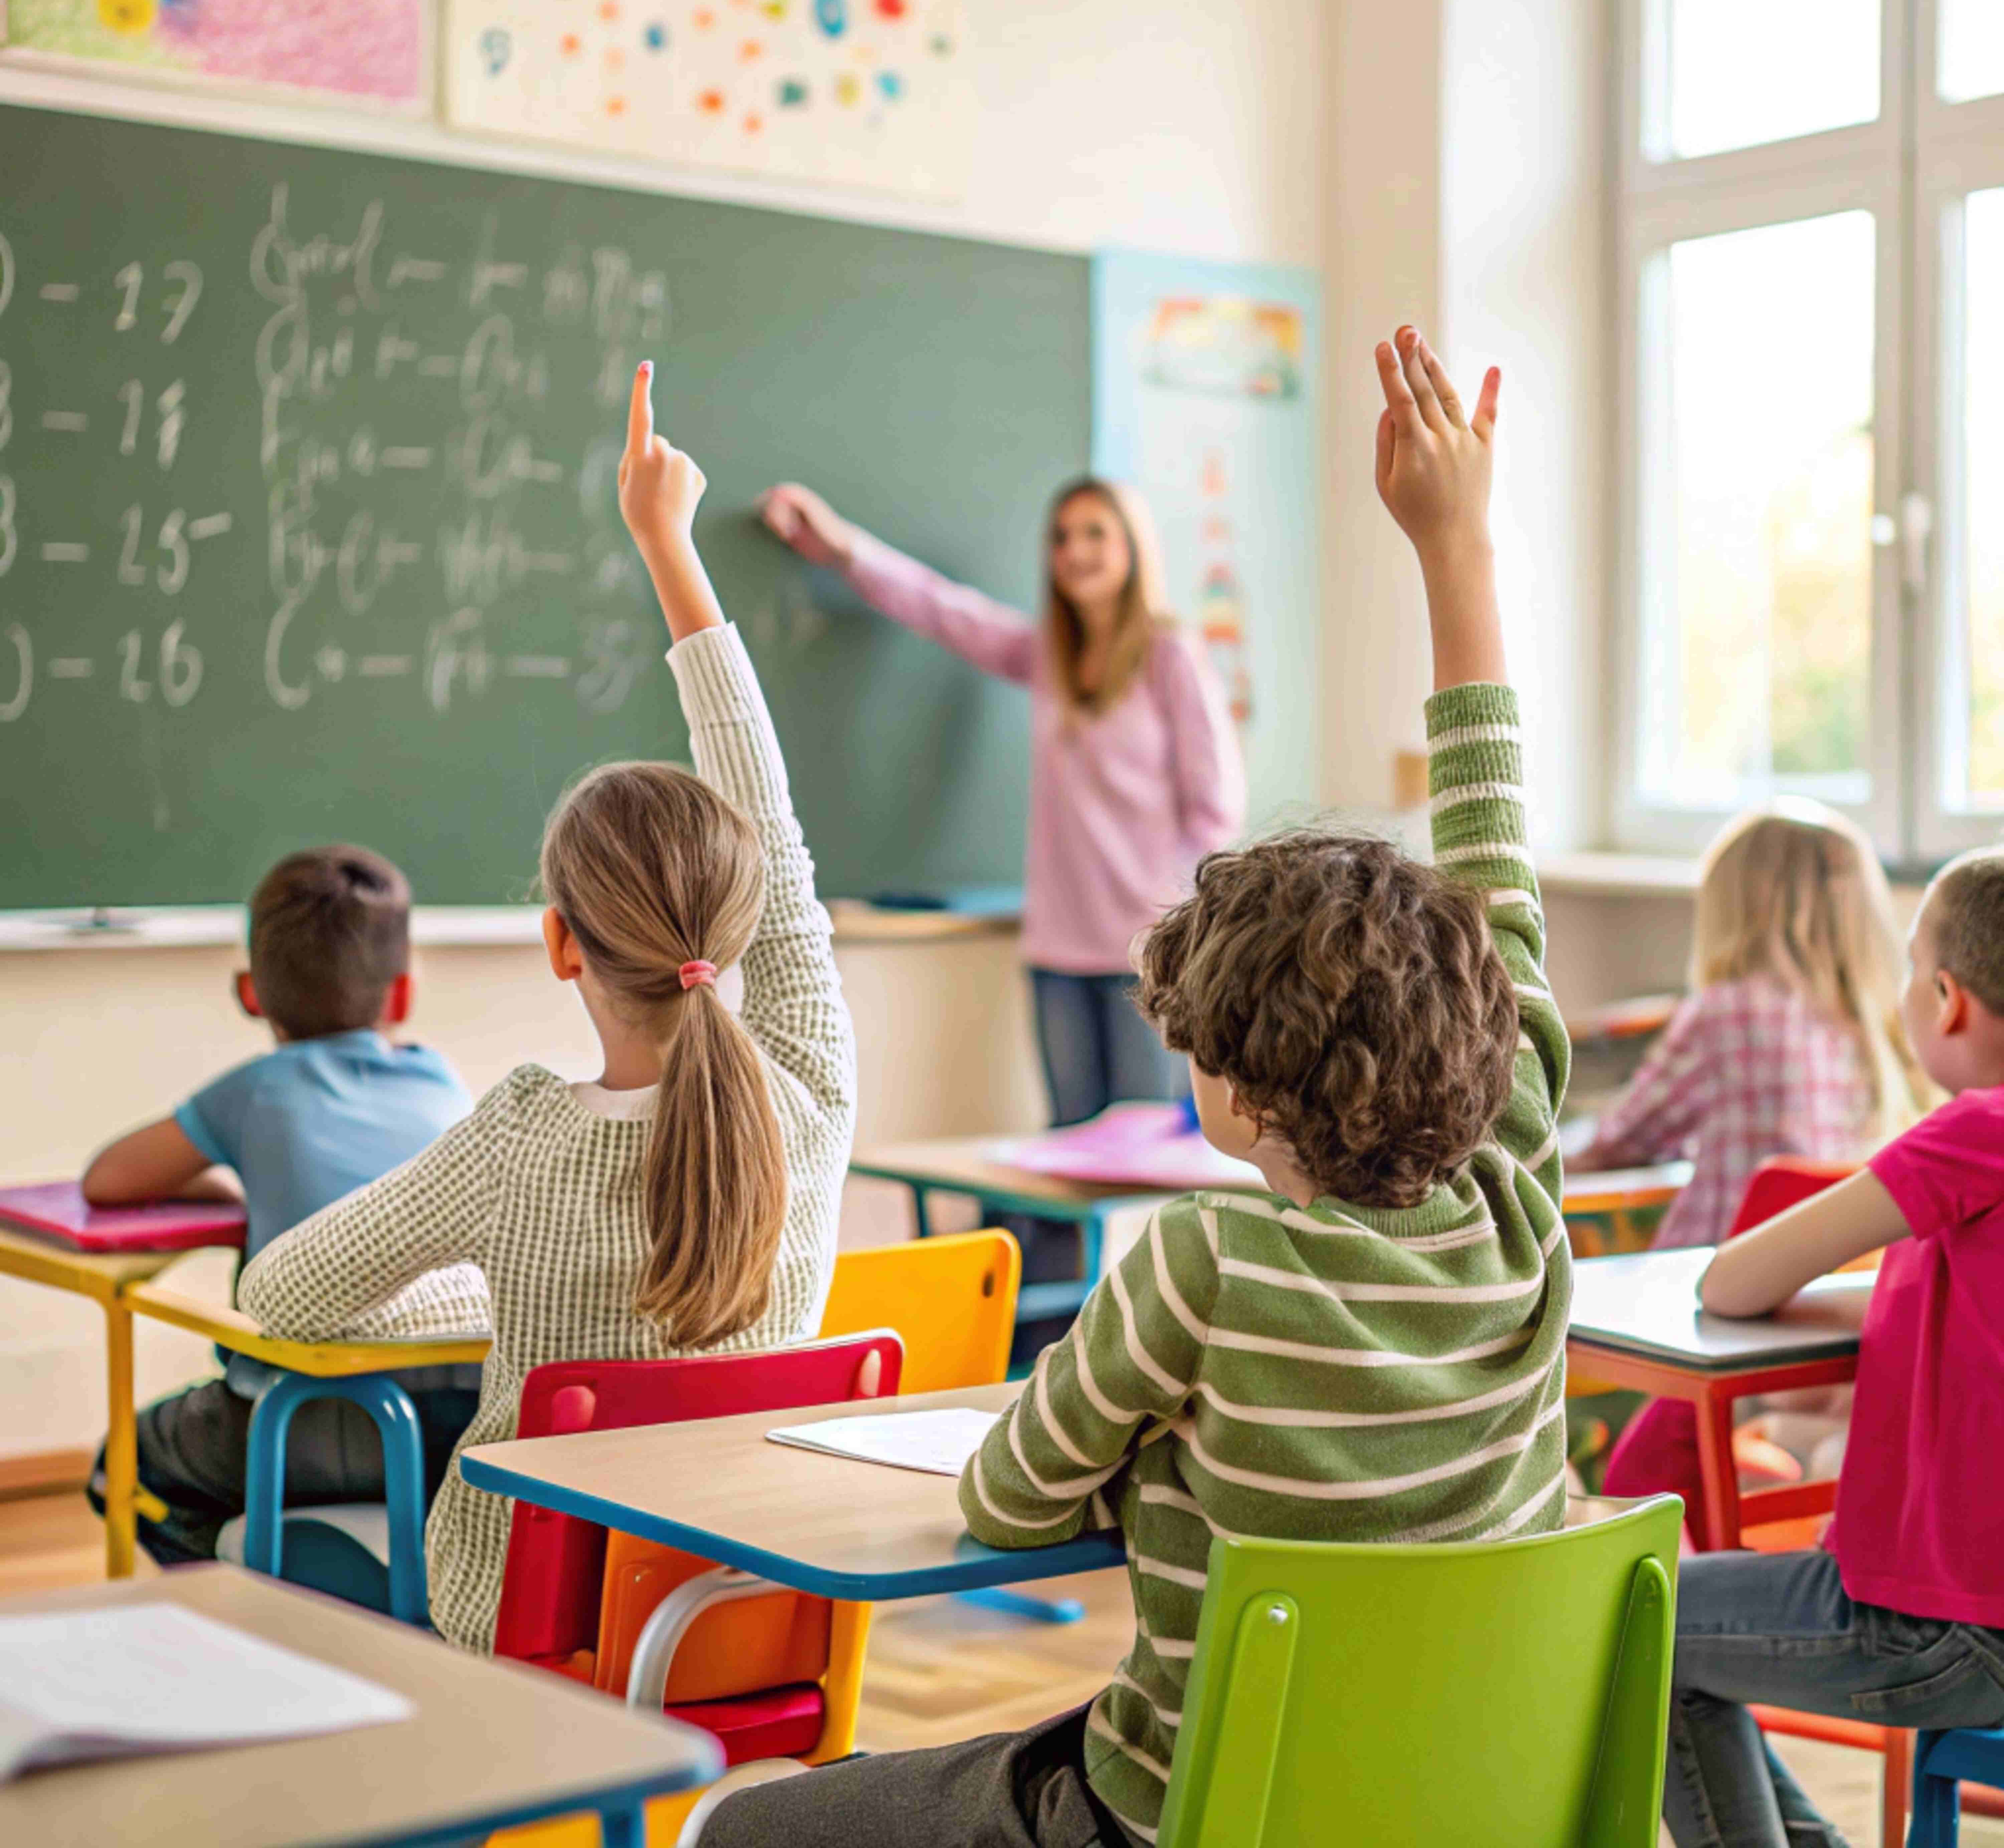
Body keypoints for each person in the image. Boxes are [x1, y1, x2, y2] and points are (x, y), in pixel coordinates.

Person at [697, 326, 1570, 1848]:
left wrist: (1144, 1464)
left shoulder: (1197, 1260)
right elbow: (1492, 854)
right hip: (1459, 1803)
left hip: (1184, 1811)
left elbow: (1006, 1499)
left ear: (1234, 1088)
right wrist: (1457, 545)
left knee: (751, 1826)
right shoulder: (1519, 1207)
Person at [237, 364, 855, 1654]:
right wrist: (669, 549)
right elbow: (776, 829)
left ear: (560, 945)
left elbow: (282, 1295)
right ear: (739, 926)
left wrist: (482, 1293)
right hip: (755, 1624)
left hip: (535, 1642)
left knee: (264, 1548)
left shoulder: (525, 1142)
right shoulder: (810, 1095)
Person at [1661, 847, 2004, 1848]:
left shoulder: (1973, 1132)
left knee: (1630, 1624)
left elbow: (1734, 1279)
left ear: (1945, 1000)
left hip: (1945, 1624)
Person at [760, 473, 1244, 1128]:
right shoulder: (1050, 656)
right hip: (1058, 951)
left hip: (1149, 954)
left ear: (1133, 545)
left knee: (1144, 1154)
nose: (1074, 551)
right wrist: (844, 548)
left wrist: (1170, 922)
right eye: (1061, 537)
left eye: (1095, 533)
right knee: (1069, 1146)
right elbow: (944, 609)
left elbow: (1215, 807)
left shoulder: (1169, 656)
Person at [79, 846, 476, 1565]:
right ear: (405, 994)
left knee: (125, 1464)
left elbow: (109, 1179)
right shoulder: (443, 1082)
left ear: (250, 993)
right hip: (461, 1425)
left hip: (302, 1427)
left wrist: (226, 1185)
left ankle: (251, 1590)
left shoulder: (257, 1090)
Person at [1577, 804, 1927, 1536]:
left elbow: (1620, 1141)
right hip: (1821, 1315)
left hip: (1706, 1305)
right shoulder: (1878, 1028)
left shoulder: (1730, 1012)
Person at [1573, 801, 1924, 1250]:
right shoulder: (1886, 1020)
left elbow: (1619, 1143)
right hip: (1832, 1278)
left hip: (1720, 1274)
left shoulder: (1728, 1012)